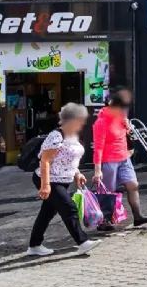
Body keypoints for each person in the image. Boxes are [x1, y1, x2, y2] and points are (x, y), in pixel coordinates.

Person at [27, 102, 98, 256]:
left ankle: (34, 245)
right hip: (49, 179)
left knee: (46, 213)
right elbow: (45, 161)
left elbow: (70, 158)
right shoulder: (56, 136)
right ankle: (82, 242)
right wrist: (45, 186)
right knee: (69, 208)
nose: (83, 123)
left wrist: (77, 174)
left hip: (63, 179)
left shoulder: (73, 137)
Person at [92, 87, 147, 229]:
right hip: (108, 161)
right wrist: (97, 170)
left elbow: (126, 136)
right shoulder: (101, 122)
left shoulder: (121, 118)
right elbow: (98, 147)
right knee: (108, 192)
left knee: (133, 185)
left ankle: (137, 216)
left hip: (124, 157)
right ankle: (103, 221)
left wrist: (127, 127)